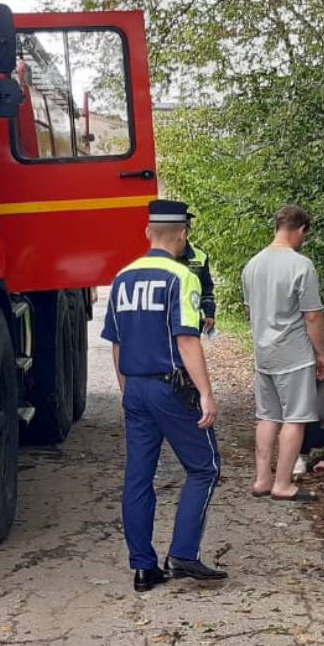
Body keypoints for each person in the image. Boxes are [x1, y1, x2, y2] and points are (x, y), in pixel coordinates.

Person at [102, 199, 227, 593]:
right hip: (171, 389)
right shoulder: (180, 277)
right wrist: (206, 393)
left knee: (138, 477)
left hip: (135, 387)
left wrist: (126, 391)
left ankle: (143, 568)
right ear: (184, 234)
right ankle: (183, 554)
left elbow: (116, 342)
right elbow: (186, 339)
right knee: (205, 467)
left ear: (147, 233)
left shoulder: (122, 277)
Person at [242, 204, 324, 502]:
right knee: (295, 418)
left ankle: (262, 480)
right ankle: (283, 484)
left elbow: (251, 311)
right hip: (293, 354)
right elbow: (313, 316)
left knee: (267, 416)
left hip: (263, 354)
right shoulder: (301, 265)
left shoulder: (252, 265)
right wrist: (321, 355)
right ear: (301, 230)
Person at [180, 239, 216, 334]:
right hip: (163, 322)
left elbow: (206, 288)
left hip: (190, 324)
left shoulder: (200, 257)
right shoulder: (158, 257)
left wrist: (209, 313)